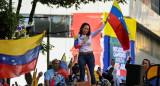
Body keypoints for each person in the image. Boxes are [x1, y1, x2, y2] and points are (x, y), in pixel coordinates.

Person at [74, 18, 108, 85]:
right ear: (81, 28)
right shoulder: (77, 36)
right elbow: (76, 46)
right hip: (81, 55)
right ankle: (82, 84)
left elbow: (99, 30)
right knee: (82, 73)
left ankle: (94, 84)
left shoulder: (90, 35)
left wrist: (105, 22)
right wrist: (84, 41)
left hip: (90, 55)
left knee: (92, 72)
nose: (86, 30)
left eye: (87, 29)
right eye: (85, 28)